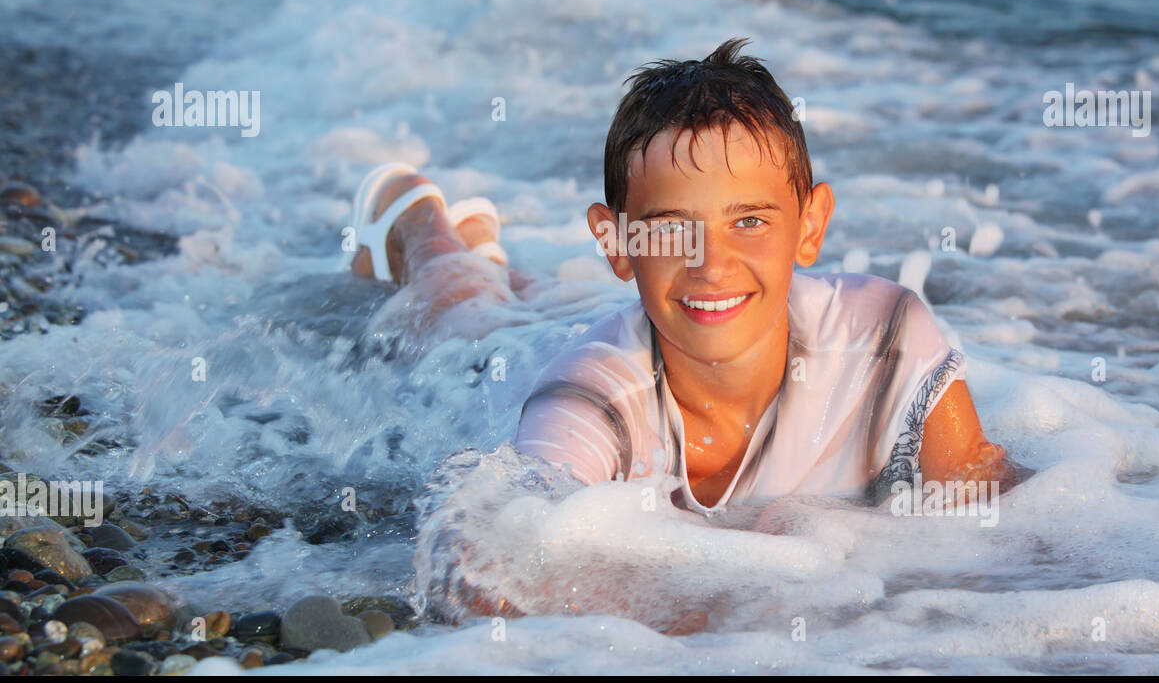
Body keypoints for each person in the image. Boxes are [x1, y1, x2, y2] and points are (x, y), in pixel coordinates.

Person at [348, 37, 1019, 516]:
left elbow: (996, 506)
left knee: (536, 295)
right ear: (616, 242)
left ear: (810, 227)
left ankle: (487, 250)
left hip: (631, 314)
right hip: (508, 357)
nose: (712, 262)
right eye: (672, 229)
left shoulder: (886, 341)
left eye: (750, 222)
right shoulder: (589, 403)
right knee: (461, 307)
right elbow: (492, 567)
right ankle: (420, 219)